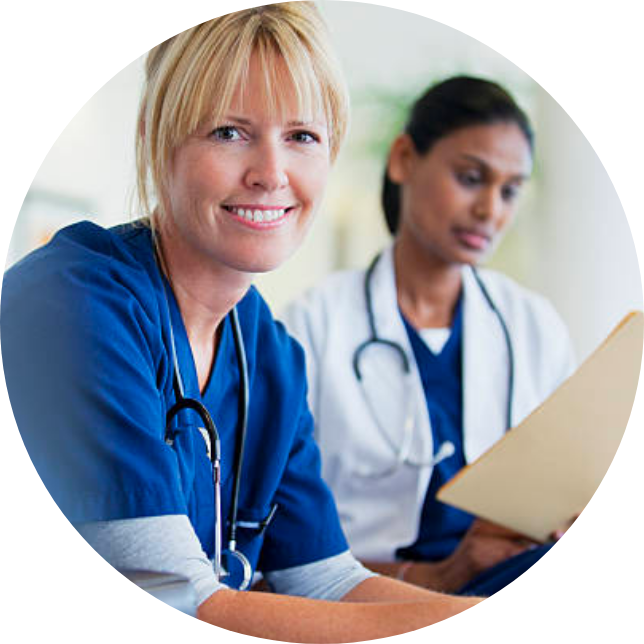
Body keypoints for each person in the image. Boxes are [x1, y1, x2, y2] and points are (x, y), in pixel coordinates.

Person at [0, 5, 484, 639]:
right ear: (156, 136)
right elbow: (179, 596)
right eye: (229, 131)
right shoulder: (71, 305)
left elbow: (326, 580)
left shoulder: (270, 354)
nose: (271, 174)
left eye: (302, 136)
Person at [282, 76, 578, 596]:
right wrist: (442, 575)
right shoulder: (313, 325)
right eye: (470, 177)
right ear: (403, 159)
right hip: (372, 598)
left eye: (510, 190)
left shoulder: (533, 325)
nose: (491, 210)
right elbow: (282, 555)